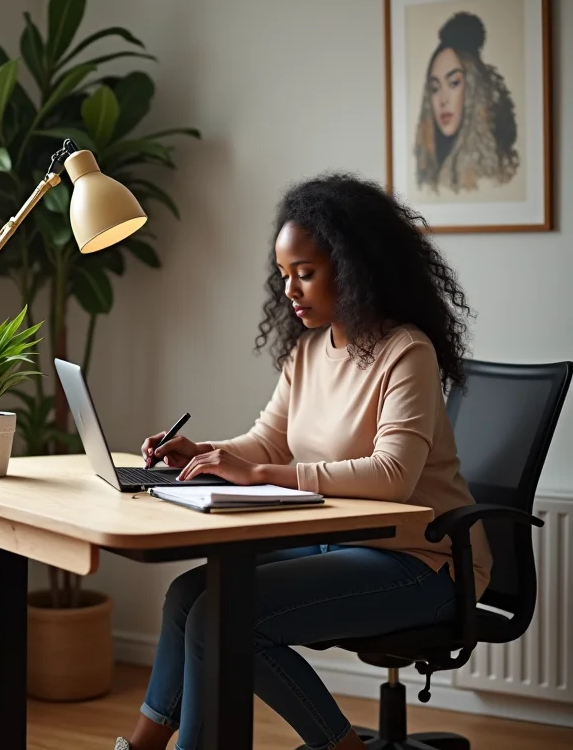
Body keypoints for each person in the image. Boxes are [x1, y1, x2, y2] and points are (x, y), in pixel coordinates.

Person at [112, 173, 492, 750]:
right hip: (340, 543)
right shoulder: (309, 349)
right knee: (190, 596)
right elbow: (266, 442)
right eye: (285, 275)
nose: (291, 290)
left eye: (306, 273)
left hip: (423, 561)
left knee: (223, 618)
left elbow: (393, 477)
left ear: (353, 265)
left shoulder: (406, 351)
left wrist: (261, 474)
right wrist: (206, 452)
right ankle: (142, 744)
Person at [414, 11, 519, 194]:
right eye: (435, 88)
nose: (443, 101)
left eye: (454, 83)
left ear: (472, 89)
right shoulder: (429, 172)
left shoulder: (497, 171)